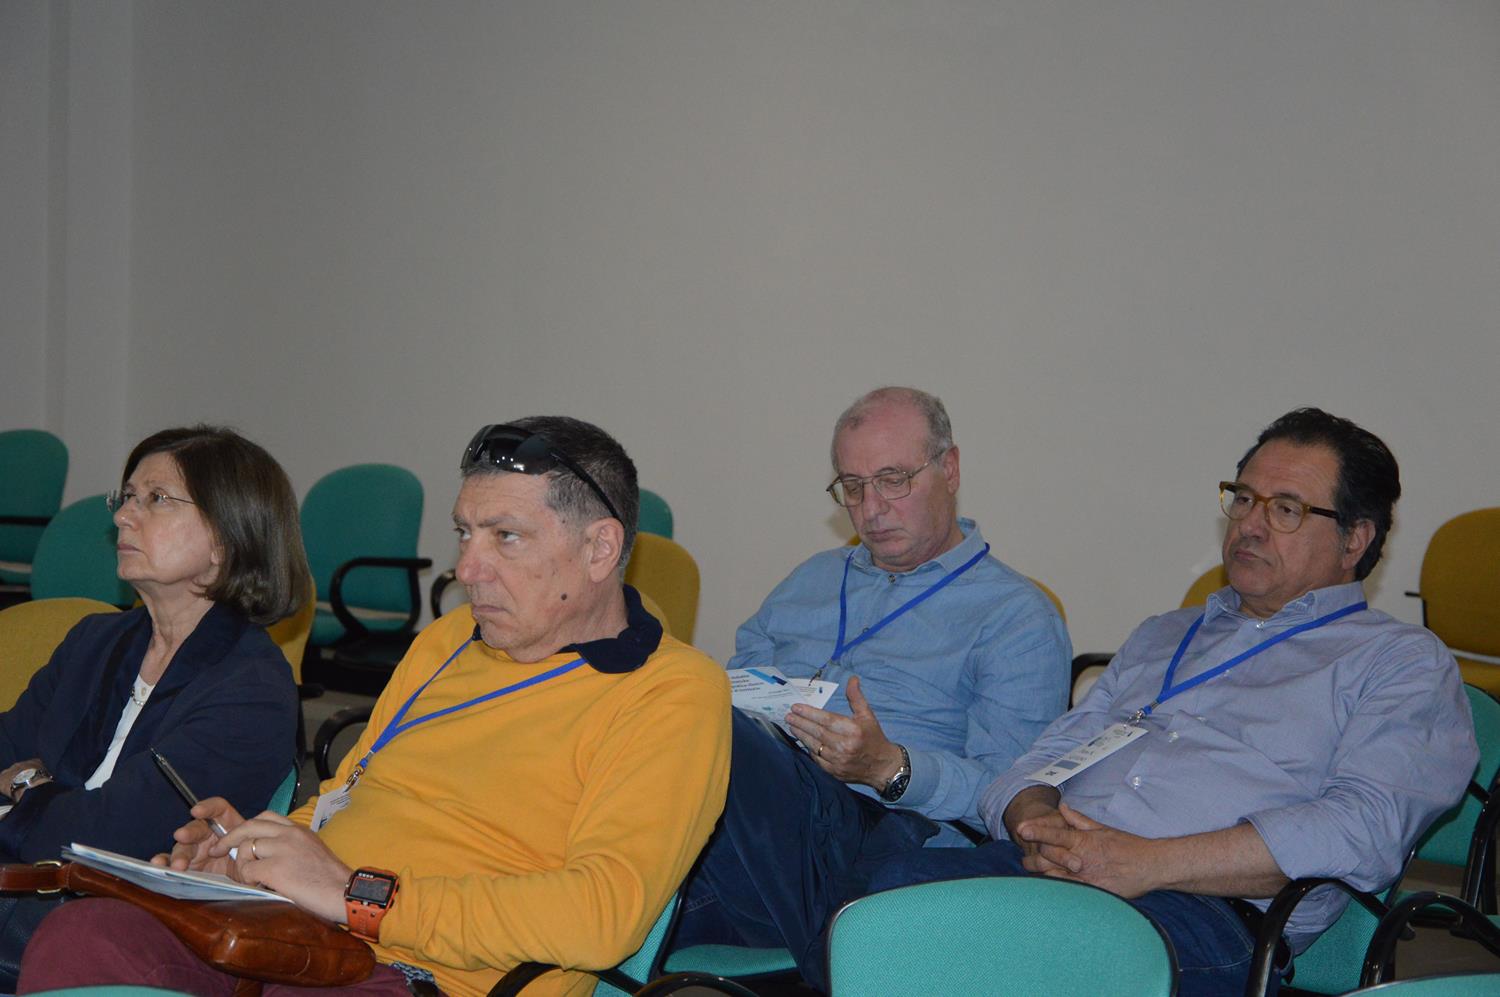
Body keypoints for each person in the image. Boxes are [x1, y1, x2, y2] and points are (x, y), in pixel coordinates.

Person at [20, 417, 732, 997]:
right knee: (86, 936)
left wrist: (356, 895)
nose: (468, 568)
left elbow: (600, 918)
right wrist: (255, 849)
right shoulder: (451, 639)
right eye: (464, 533)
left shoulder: (671, 691)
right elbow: (350, 792)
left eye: (506, 537)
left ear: (601, 549)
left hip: (426, 975)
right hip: (302, 934)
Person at [869, 408, 1479, 997]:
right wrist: (1036, 821)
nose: (1251, 524)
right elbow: (1038, 762)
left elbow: (1364, 827)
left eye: (1286, 509)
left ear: (1354, 539)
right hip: (1053, 873)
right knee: (882, 896)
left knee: (1001, 950)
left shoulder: (1401, 662)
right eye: (1244, 498)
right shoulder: (1164, 635)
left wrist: (1146, 863)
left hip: (1201, 910)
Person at [672, 387, 1071, 990]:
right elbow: (741, 684)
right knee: (664, 704)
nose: (872, 508)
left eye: (892, 480)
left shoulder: (1015, 616)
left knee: (700, 723)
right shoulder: (811, 578)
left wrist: (890, 767)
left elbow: (1012, 793)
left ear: (950, 469)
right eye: (853, 486)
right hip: (758, 822)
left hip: (875, 830)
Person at [0, 425, 306, 983]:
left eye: (156, 499)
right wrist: (41, 795)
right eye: (127, 497)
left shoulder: (252, 690)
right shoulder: (94, 640)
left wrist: (26, 784)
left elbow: (112, 838)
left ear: (225, 539)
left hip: (127, 924)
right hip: (31, 887)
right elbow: (5, 744)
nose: (122, 516)